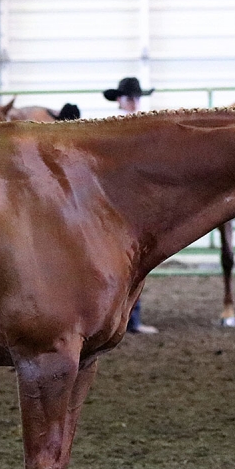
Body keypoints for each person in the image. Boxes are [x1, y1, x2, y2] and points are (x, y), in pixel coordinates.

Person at [104, 77, 158, 334]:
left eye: (136, 98)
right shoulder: (113, 127)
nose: (134, 103)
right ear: (120, 100)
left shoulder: (138, 127)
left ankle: (130, 319)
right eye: (130, 98)